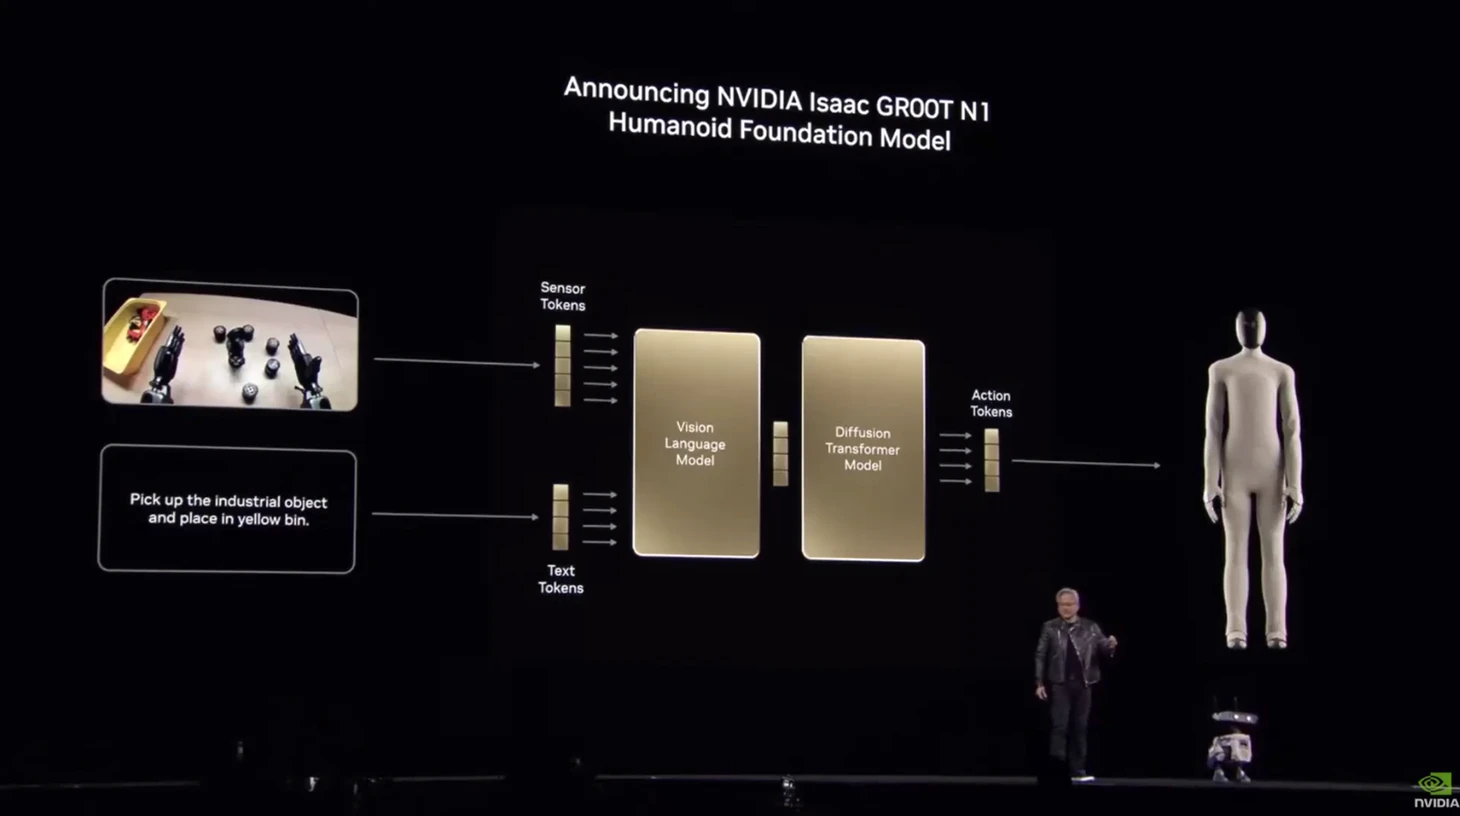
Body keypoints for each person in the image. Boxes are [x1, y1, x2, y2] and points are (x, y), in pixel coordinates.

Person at [1035, 588, 1117, 781]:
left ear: (1077, 606)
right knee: (1059, 727)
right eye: (1062, 604)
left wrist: (1111, 645)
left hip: (1084, 685)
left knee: (1080, 728)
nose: (1065, 608)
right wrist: (1039, 682)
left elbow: (1103, 649)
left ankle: (1078, 771)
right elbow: (1041, 655)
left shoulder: (1090, 627)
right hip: (1060, 684)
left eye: (1069, 604)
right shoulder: (1050, 627)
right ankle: (1057, 773)